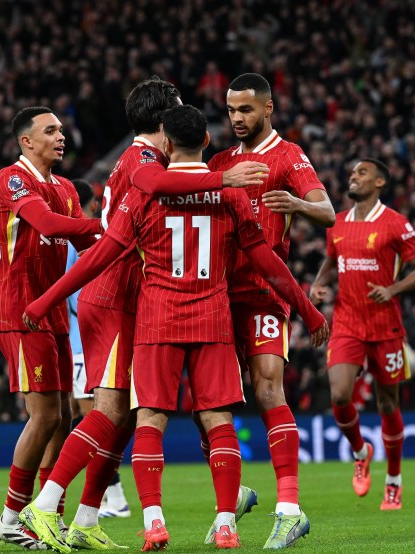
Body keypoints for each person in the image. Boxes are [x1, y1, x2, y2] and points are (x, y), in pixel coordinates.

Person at [21, 105, 329, 552]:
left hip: (157, 318)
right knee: (219, 420)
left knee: (149, 418)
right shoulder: (231, 192)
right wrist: (307, 309)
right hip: (213, 318)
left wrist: (46, 299)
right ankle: (226, 523)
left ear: (165, 144)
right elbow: (268, 262)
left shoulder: (145, 193)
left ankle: (153, 522)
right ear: (207, 142)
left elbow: (101, 255)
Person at [206, 72, 336, 549]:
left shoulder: (289, 155)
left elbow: (329, 213)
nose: (237, 118)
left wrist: (298, 204)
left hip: (264, 291)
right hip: (218, 296)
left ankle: (289, 509)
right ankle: (234, 494)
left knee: (266, 388)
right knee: (212, 404)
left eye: (246, 110)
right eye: (231, 110)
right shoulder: (219, 162)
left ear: (267, 110)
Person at [0, 106, 104, 550]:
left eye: (60, 129)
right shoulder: (11, 178)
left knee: (65, 417)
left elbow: (85, 244)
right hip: (19, 310)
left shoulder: (65, 189)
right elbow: (50, 225)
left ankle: (48, 514)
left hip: (51, 310)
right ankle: (10, 517)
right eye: (50, 130)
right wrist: (112, 225)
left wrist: (131, 243)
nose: (60, 136)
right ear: (26, 141)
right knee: (45, 415)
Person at [310, 159, 415, 510]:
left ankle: (393, 480)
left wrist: (393, 289)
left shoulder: (396, 224)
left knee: (387, 403)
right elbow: (332, 260)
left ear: (380, 181)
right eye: (352, 172)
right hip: (348, 323)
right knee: (339, 395)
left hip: (385, 326)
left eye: (362, 172)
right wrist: (320, 283)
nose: (354, 175)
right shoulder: (335, 224)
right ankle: (360, 450)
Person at [67, 179, 131, 519]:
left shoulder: (78, 241)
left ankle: (114, 498)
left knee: (96, 417)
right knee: (86, 416)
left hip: (84, 342)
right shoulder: (82, 238)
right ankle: (109, 497)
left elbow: (75, 290)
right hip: (77, 341)